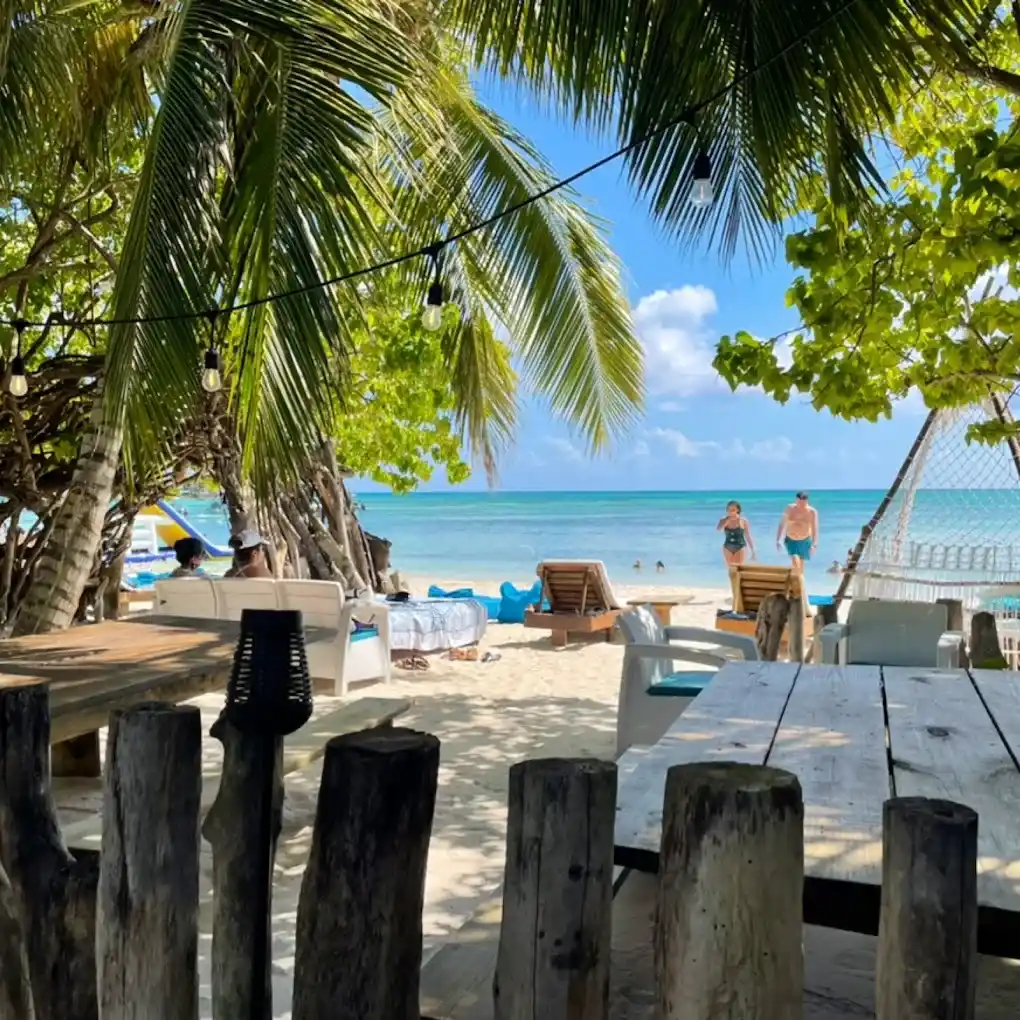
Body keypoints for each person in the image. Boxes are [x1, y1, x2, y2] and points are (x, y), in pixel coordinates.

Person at [776, 491, 818, 572]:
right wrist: (778, 540)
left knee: (801, 565)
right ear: (796, 500)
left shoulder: (812, 512)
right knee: (795, 559)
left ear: (807, 501)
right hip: (791, 539)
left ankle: (798, 582)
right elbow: (782, 524)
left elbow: (814, 529)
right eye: (799, 503)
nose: (801, 506)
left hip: (805, 540)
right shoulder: (789, 508)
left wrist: (814, 544)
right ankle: (796, 580)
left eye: (803, 504)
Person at [717, 500, 755, 566]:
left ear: (737, 510)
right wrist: (726, 522)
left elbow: (748, 536)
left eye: (733, 510)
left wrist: (753, 550)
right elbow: (719, 529)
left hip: (740, 547)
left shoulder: (743, 521)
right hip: (727, 547)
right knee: (731, 570)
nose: (731, 512)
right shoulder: (723, 519)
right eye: (729, 510)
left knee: (739, 569)